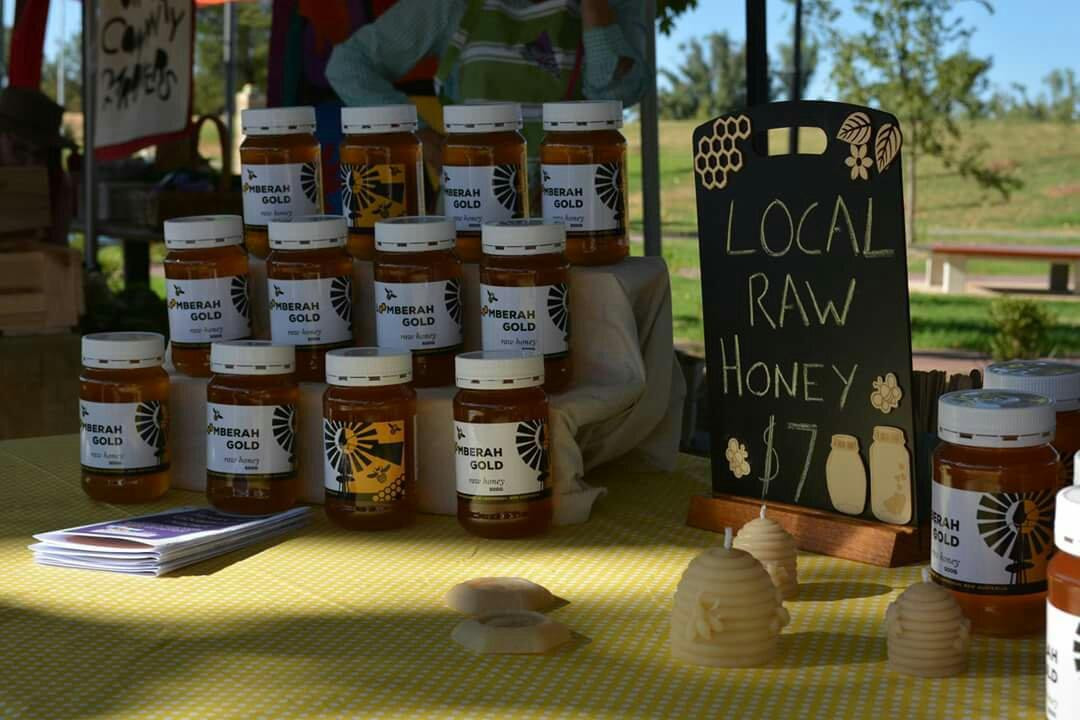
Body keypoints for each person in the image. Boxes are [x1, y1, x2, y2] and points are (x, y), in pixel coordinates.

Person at [325, 0, 647, 203]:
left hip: (579, 222)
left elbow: (618, 97)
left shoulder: (618, 6)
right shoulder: (453, 6)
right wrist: (418, 135)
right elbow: (348, 65)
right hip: (470, 221)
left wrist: (595, 9)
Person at [0, 86, 76, 246]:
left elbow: (57, 251)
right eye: (19, 149)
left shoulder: (58, 185)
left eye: (39, 155)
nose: (28, 165)